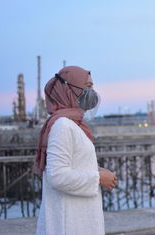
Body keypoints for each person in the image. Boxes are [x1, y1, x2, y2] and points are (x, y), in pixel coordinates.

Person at [34, 66, 117, 235]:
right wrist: (98, 178)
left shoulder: (74, 124)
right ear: (69, 89)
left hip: (78, 218)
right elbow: (57, 176)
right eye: (87, 86)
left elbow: (72, 164)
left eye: (92, 86)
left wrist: (95, 170)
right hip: (69, 223)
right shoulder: (62, 126)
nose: (92, 91)